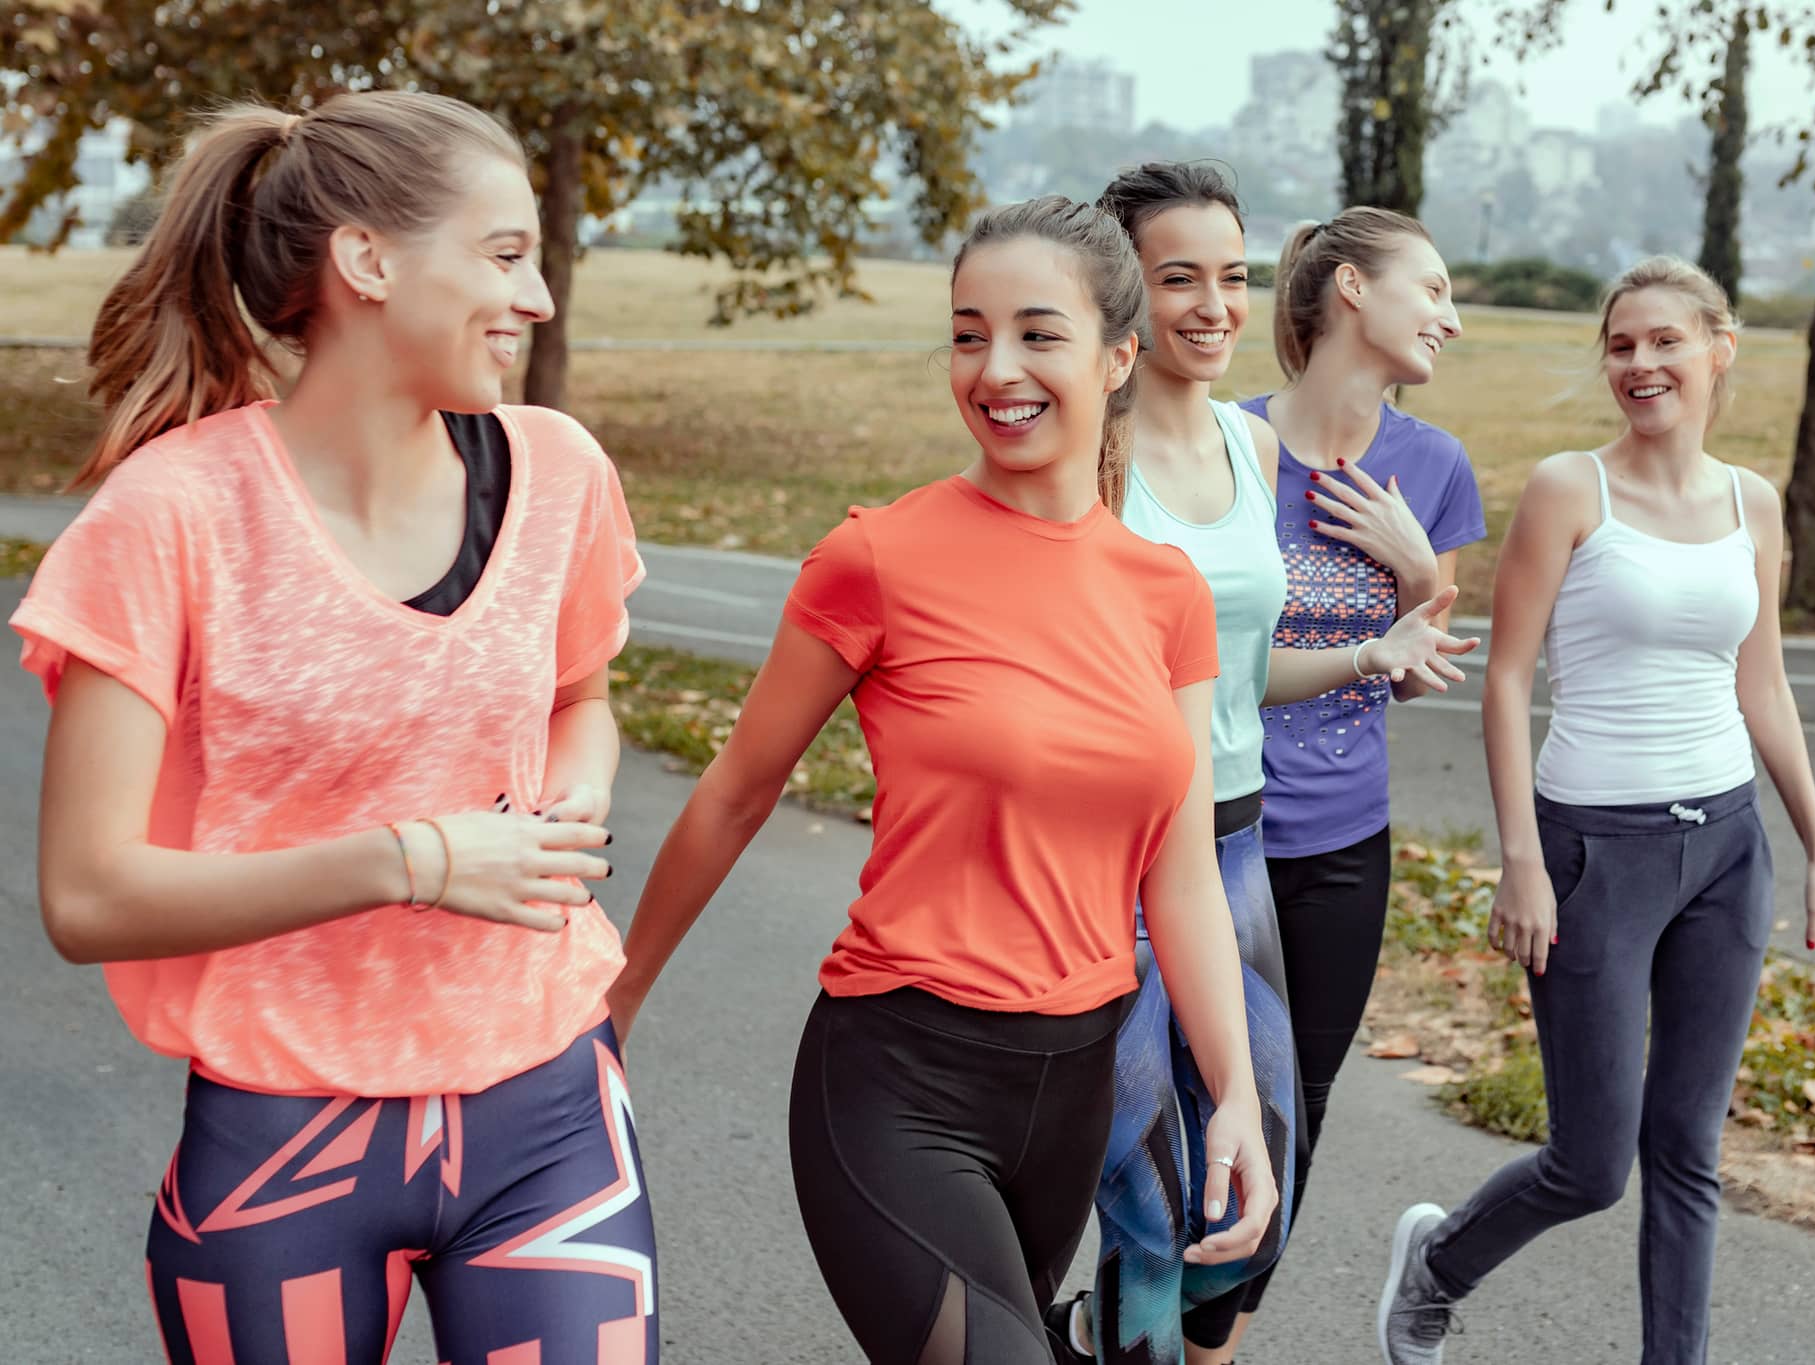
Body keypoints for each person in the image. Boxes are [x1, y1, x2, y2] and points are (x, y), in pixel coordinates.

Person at [15, 93, 654, 1362]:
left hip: (547, 1108)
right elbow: (86, 899)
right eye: (504, 255)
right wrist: (412, 861)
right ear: (367, 261)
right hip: (285, 1143)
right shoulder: (169, 516)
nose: (535, 300)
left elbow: (579, 698)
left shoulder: (561, 472)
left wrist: (572, 794)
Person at [607, 195, 1281, 1365]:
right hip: (897, 1080)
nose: (994, 369)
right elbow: (734, 793)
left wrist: (1231, 1094)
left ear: (1119, 356)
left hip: (1069, 1093)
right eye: (969, 335)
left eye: (1035, 333)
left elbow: (1176, 876)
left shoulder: (1164, 591)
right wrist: (610, 1013)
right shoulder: (876, 558)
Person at [1376, 256, 1815, 1365]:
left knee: (1687, 1151)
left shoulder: (1752, 504)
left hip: (1726, 852)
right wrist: (1520, 860)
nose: (1640, 364)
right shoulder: (1568, 490)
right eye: (1621, 345)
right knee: (1592, 1167)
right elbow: (1506, 680)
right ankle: (1438, 1263)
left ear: (1717, 352)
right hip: (1593, 852)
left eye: (1664, 341)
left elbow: (1763, 684)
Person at [1049, 170, 1476, 1365]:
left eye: (1228, 276)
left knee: (1259, 1173)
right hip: (1125, 855)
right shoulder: (1088, 455)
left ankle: (1124, 1340)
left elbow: (1231, 671)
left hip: (1248, 847)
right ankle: (1109, 1335)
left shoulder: (1250, 448)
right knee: (1140, 1184)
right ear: (1120, 291)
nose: (1210, 303)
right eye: (1176, 277)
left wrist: (1379, 636)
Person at [1229, 207, 1489, 1362]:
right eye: (1429, 288)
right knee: (1184, 1099)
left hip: (1342, 845)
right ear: (1348, 289)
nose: (1449, 317)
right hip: (1210, 831)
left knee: (1297, 1110)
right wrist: (1371, 641)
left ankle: (1211, 1338)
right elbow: (1187, 657)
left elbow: (1421, 669)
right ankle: (1125, 1316)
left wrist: (1413, 565)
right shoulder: (1228, 444)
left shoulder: (1431, 468)